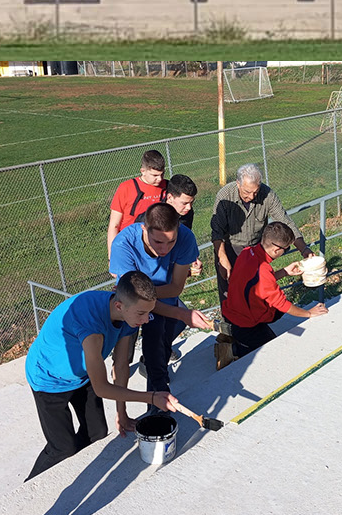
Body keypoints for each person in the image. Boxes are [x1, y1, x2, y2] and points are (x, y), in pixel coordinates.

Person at [23, 271, 183, 480]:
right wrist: (152, 397)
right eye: (141, 313)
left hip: (82, 375)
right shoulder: (92, 328)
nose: (146, 320)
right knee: (62, 449)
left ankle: (74, 471)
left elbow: (121, 366)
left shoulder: (127, 315)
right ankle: (30, 484)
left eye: (148, 313)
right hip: (49, 380)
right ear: (119, 306)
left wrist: (122, 413)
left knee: (96, 434)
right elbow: (101, 387)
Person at [106, 202, 211, 434]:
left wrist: (164, 306)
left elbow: (175, 288)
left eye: (171, 242)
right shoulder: (123, 245)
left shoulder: (185, 237)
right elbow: (132, 298)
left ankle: (158, 405)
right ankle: (123, 413)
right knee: (122, 359)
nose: (165, 249)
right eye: (158, 242)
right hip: (132, 306)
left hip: (163, 300)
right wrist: (178, 312)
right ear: (144, 229)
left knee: (157, 352)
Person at [217, 222, 328, 370]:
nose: (286, 251)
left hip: (234, 310)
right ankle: (230, 350)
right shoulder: (263, 270)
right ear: (277, 249)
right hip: (246, 322)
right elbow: (282, 304)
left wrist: (285, 271)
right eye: (286, 248)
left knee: (272, 320)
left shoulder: (247, 252)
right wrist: (309, 313)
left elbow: (256, 282)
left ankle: (232, 334)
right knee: (270, 351)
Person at [209, 163, 312, 305]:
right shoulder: (225, 195)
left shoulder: (267, 194)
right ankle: (232, 325)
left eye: (255, 192)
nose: (251, 196)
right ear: (238, 183)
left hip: (256, 250)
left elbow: (285, 221)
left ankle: (257, 322)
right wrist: (223, 259)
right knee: (231, 295)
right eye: (246, 192)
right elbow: (217, 231)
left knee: (258, 291)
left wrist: (304, 249)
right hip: (230, 249)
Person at [104, 150, 167, 253]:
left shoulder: (167, 187)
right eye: (154, 175)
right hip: (130, 248)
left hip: (157, 250)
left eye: (162, 174)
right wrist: (112, 257)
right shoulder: (126, 188)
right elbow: (114, 225)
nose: (160, 179)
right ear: (143, 171)